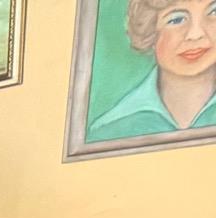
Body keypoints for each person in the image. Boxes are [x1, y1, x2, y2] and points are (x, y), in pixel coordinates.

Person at [89, 0, 216, 139]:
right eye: (176, 19)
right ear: (150, 33)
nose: (195, 34)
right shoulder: (110, 128)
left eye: (213, 12)